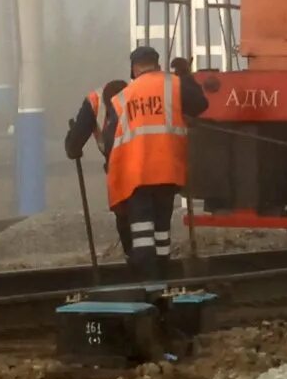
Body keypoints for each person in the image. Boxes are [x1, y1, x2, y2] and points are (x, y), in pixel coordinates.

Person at [63, 44, 210, 274]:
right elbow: (200, 105)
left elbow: (99, 142)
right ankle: (160, 277)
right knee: (160, 231)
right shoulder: (169, 85)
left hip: (132, 174)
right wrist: (186, 77)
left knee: (140, 235)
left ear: (133, 70)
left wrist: (74, 147)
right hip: (167, 170)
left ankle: (145, 278)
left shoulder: (123, 98)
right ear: (158, 64)